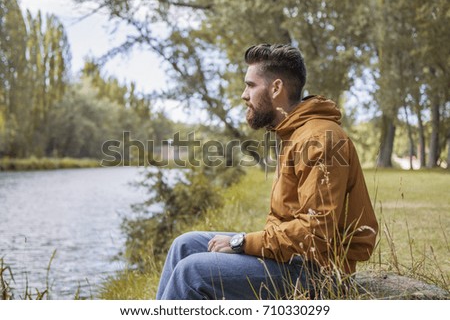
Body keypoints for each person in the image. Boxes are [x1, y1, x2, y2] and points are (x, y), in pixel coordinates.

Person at [156, 43, 378, 300]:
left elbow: (316, 234)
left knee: (191, 273)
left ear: (276, 88)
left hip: (319, 271)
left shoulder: (319, 138)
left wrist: (242, 243)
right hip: (292, 259)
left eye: (251, 85)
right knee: (185, 245)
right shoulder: (294, 133)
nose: (243, 95)